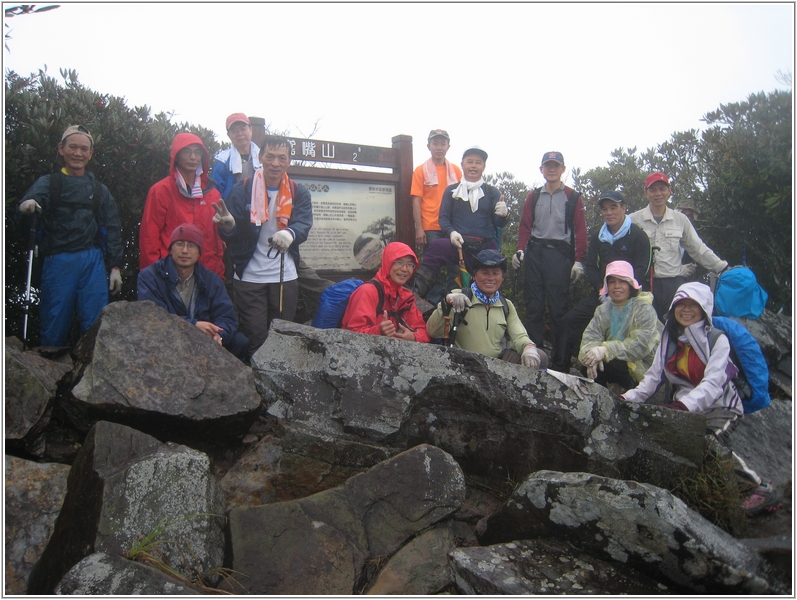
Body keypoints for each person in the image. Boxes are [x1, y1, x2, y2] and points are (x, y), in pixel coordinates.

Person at [621, 282, 780, 517]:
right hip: (686, 406)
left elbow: (713, 384)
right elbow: (653, 378)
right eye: (680, 304)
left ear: (704, 308)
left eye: (692, 305)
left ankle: (759, 487)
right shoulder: (670, 337)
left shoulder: (718, 340)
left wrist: (683, 406)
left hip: (722, 406)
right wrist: (625, 398)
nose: (685, 310)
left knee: (706, 444)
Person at [16, 124, 123, 347]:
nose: (78, 153)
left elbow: (112, 227)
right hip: (57, 260)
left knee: (96, 326)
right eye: (73, 147)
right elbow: (26, 213)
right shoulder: (48, 183)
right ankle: (51, 369)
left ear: (91, 153)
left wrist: (115, 267)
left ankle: (94, 372)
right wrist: (27, 208)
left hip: (92, 261)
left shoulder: (99, 190)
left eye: (84, 149)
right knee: (54, 320)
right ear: (61, 148)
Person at [212, 135, 313, 356]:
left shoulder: (299, 192)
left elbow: (304, 223)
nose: (275, 163)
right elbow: (230, 232)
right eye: (270, 156)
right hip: (249, 277)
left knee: (282, 336)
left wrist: (290, 232)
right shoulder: (242, 190)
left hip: (284, 276)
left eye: (281, 158)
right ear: (260, 157)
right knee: (255, 337)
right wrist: (229, 226)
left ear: (288, 161)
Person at [513, 151, 587, 372]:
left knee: (558, 309)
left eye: (556, 166)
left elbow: (580, 231)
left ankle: (561, 362)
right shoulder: (533, 196)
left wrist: (579, 260)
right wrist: (520, 250)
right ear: (541, 170)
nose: (552, 170)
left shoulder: (573, 197)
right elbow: (525, 226)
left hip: (559, 255)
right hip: (535, 252)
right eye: (548, 166)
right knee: (534, 306)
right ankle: (536, 357)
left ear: (563, 169)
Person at [560, 190, 651, 370]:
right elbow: (592, 266)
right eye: (605, 209)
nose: (609, 213)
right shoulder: (597, 237)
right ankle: (561, 368)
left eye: (614, 208)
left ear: (624, 208)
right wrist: (602, 289)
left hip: (632, 298)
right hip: (603, 294)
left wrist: (627, 291)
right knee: (569, 321)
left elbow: (643, 267)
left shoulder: (638, 235)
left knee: (631, 335)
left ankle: (635, 381)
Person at [137, 224, 248, 361]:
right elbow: (152, 317)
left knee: (240, 342)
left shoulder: (211, 279)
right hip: (167, 339)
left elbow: (227, 317)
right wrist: (192, 325)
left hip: (204, 342)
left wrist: (219, 335)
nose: (184, 250)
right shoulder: (150, 277)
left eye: (191, 245)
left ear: (199, 251)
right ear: (170, 248)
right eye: (179, 244)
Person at [412, 146, 507, 299]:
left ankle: (494, 305)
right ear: (462, 165)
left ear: (484, 167)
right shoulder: (451, 191)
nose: (473, 166)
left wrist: (504, 215)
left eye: (478, 162)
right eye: (470, 162)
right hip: (458, 245)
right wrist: (451, 233)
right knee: (435, 248)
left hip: (484, 246)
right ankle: (415, 297)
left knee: (496, 265)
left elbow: (498, 223)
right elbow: (443, 218)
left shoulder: (492, 192)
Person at [630, 172, 727, 321]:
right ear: (646, 193)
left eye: (662, 189)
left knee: (676, 328)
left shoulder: (680, 220)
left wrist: (722, 268)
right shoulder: (633, 220)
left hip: (674, 284)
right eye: (653, 190)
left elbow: (697, 248)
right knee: (645, 329)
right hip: (644, 284)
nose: (658, 194)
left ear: (669, 190)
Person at [426, 249, 548, 367]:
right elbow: (433, 332)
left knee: (539, 356)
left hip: (495, 365)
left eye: (495, 273)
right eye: (485, 273)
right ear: (474, 276)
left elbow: (519, 336)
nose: (490, 278)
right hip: (462, 365)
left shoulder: (506, 305)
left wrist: (528, 348)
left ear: (502, 277)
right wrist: (447, 303)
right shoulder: (460, 297)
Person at [139, 133, 225, 280]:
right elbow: (149, 237)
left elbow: (217, 239)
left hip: (207, 274)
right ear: (176, 156)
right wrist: (152, 277)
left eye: (197, 152)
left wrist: (218, 274)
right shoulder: (160, 191)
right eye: (187, 151)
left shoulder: (213, 194)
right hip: (170, 274)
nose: (193, 157)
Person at [578, 260, 661, 392]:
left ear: (630, 285)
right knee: (591, 366)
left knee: (611, 364)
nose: (617, 286)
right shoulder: (602, 310)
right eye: (612, 282)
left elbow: (639, 346)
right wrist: (591, 357)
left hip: (641, 367)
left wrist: (605, 350)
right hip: (612, 364)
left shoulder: (644, 309)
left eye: (622, 281)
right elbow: (590, 337)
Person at [411, 129, 462, 303]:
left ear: (448, 146)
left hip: (452, 227)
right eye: (435, 143)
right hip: (431, 226)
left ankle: (453, 300)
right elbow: (416, 201)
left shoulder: (456, 170)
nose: (439, 147)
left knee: (454, 265)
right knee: (433, 267)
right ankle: (433, 305)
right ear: (428, 146)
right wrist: (419, 228)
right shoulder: (420, 171)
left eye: (442, 143)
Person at [341, 242, 430, 342]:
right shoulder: (367, 292)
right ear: (388, 262)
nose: (405, 269)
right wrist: (378, 331)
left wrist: (414, 337)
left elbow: (424, 332)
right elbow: (350, 335)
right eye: (399, 262)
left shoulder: (404, 297)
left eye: (410, 264)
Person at [210, 113, 262, 201]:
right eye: (234, 131)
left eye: (243, 129)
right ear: (228, 135)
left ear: (251, 130)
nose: (240, 134)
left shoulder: (264, 157)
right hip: (231, 211)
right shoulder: (222, 162)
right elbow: (215, 194)